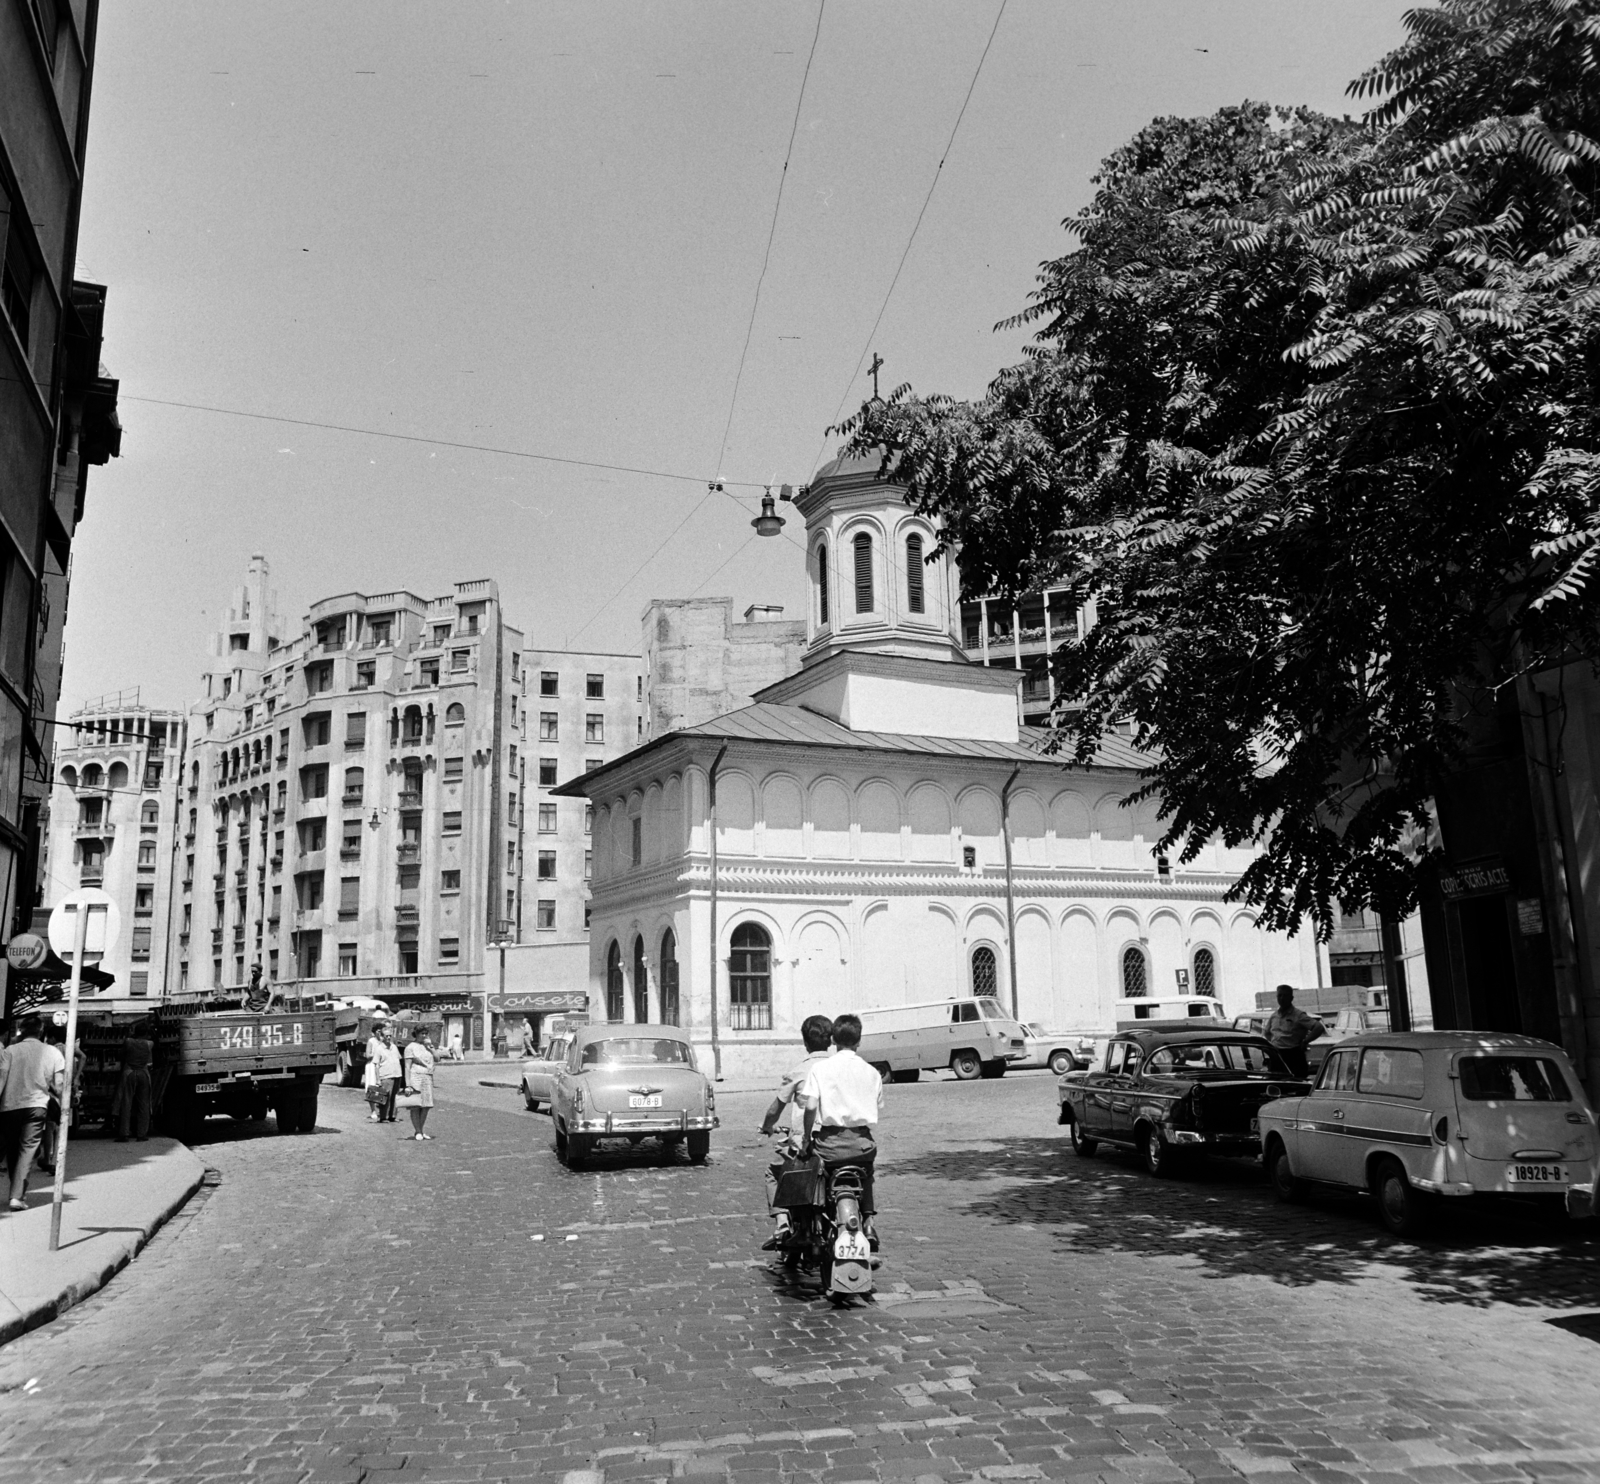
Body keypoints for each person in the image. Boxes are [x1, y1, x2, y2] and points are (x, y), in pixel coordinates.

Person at [793, 1013, 884, 1245]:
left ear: (833, 1040)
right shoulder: (873, 1073)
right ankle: (869, 1222)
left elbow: (810, 1105)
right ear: (859, 1040)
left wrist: (806, 1139)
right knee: (867, 1176)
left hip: (829, 1144)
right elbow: (876, 1107)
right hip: (861, 1145)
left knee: (817, 1173)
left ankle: (814, 1223)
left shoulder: (821, 1069)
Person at [759, 1014, 834, 1250]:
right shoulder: (839, 1068)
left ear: (805, 1042)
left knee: (773, 1172)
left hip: (806, 1144)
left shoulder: (798, 1072)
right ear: (830, 1041)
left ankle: (782, 1222)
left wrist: (767, 1126)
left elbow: (775, 1108)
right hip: (835, 1141)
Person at [0, 1015, 66, 1211]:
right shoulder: (52, 1052)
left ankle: (16, 1192)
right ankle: (17, 1196)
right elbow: (61, 1086)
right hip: (37, 1106)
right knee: (27, 1149)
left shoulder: (10, 1051)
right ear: (41, 1031)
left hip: (9, 1106)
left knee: (13, 1150)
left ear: (21, 1031)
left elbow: (1, 1078)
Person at [1263, 983, 1324, 1078]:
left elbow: (1318, 1027)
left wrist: (1306, 1041)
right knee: (1276, 1085)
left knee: (1295, 1085)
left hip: (1293, 1056)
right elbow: (1267, 1033)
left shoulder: (1298, 1015)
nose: (1282, 998)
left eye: (1285, 995)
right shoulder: (1274, 1016)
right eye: (1279, 995)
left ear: (1291, 998)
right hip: (1277, 1056)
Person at [115, 1021, 155, 1142]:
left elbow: (121, 1056)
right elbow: (150, 1063)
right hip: (143, 1073)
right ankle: (141, 1134)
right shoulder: (150, 1044)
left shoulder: (128, 1042)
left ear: (135, 1032)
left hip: (129, 1073)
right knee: (144, 1104)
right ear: (146, 1033)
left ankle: (124, 1134)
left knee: (126, 1103)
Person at [403, 1026, 436, 1140]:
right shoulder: (410, 1048)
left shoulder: (428, 1046)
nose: (424, 1036)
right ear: (416, 1034)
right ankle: (418, 1131)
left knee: (426, 1105)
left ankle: (421, 1130)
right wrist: (408, 1084)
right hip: (416, 1077)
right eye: (422, 1033)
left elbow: (437, 1058)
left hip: (427, 1077)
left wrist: (431, 1048)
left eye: (426, 1033)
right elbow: (407, 1066)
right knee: (416, 1106)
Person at [369, 1026, 402, 1123]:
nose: (388, 1038)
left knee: (395, 1097)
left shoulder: (394, 1047)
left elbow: (399, 1059)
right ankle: (384, 1117)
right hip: (386, 1075)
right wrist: (378, 1079)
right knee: (386, 1097)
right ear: (382, 1037)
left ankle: (393, 1116)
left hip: (396, 1074)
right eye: (386, 1036)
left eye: (390, 1036)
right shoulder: (379, 1049)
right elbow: (376, 1065)